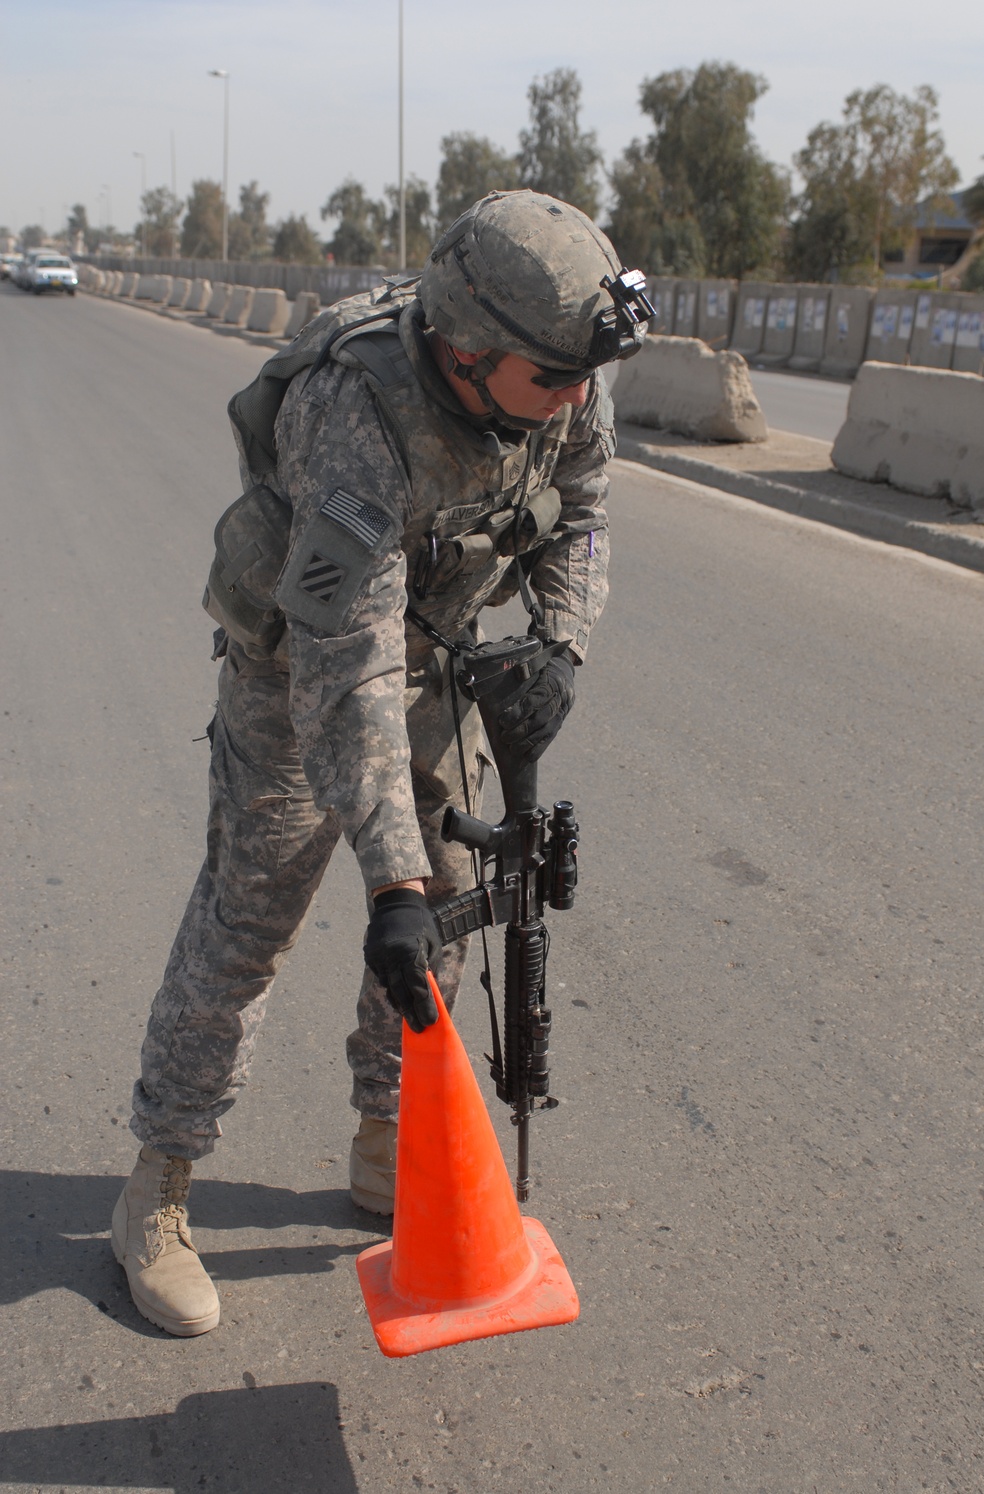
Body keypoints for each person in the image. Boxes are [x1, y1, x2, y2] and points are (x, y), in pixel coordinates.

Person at [111, 190, 652, 1336]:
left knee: (447, 914)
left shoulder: (561, 378)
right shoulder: (352, 411)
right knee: (253, 922)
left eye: (579, 381)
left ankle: (383, 1137)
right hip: (304, 668)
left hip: (435, 655)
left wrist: (562, 639)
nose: (573, 402)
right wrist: (387, 879)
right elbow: (346, 667)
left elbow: (588, 510)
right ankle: (155, 1189)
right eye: (553, 378)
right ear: (470, 350)